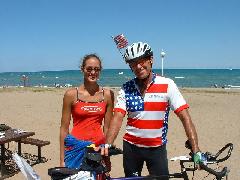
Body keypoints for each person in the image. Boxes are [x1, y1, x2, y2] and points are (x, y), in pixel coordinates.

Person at [103, 42, 203, 178]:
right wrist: (107, 144)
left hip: (157, 148)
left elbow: (185, 117)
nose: (138, 66)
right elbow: (118, 117)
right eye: (133, 63)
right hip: (131, 148)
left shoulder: (168, 84)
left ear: (151, 59)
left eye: (142, 60)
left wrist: (195, 148)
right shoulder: (126, 88)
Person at [60, 54, 114, 171]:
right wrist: (62, 159)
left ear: (100, 71)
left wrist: (107, 156)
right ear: (82, 69)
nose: (93, 72)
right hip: (75, 148)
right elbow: (64, 130)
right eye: (89, 69)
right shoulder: (71, 95)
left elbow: (107, 129)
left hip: (98, 148)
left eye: (96, 69)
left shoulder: (108, 95)